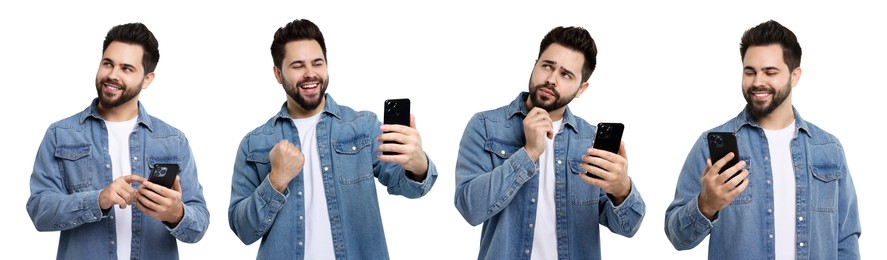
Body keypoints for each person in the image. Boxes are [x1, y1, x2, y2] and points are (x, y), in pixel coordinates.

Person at [228, 19, 438, 259]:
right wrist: (276, 181)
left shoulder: (363, 127)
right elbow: (243, 230)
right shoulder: (254, 144)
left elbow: (409, 187)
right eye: (297, 65)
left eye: (317, 63)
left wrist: (418, 166)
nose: (310, 74)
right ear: (278, 73)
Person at [664, 20, 861, 259]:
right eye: (750, 72)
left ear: (794, 76)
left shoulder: (828, 149)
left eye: (770, 72)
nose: (758, 81)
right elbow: (677, 236)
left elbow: (846, 238)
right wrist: (706, 204)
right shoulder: (711, 145)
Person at [454, 26, 646, 259]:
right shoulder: (486, 125)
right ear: (535, 65)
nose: (551, 79)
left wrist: (621, 190)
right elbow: (470, 208)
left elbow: (628, 227)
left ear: (581, 89)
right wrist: (529, 152)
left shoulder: (589, 139)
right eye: (547, 66)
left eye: (566, 74)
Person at [26, 22, 210, 260]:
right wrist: (99, 199)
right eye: (107, 64)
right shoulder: (60, 134)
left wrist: (176, 214)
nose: (112, 75)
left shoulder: (173, 141)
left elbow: (199, 224)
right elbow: (40, 211)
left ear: (147, 79)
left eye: (126, 68)